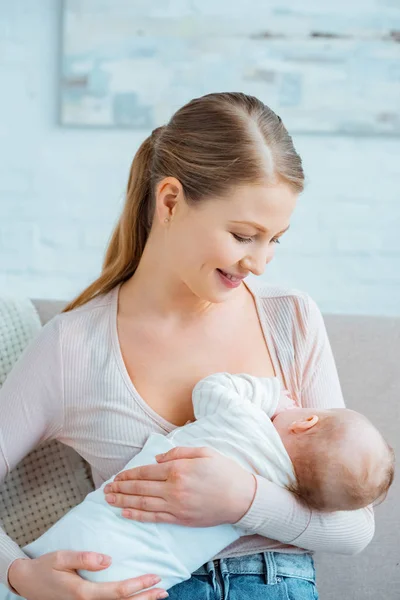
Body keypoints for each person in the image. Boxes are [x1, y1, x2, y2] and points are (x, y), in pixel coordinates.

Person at [0, 92, 377, 600]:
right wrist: (18, 576)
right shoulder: (74, 346)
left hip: (274, 582)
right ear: (171, 200)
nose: (260, 263)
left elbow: (356, 528)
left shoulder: (291, 317)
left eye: (275, 240)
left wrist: (244, 501)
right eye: (244, 235)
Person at [4, 373, 393, 600]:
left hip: (83, 546)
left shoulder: (245, 419)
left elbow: (211, 388)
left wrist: (272, 394)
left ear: (306, 421)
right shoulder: (288, 492)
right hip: (145, 580)